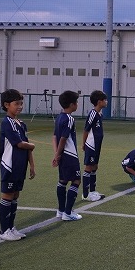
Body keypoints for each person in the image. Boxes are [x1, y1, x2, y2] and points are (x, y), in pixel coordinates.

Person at [0, 89, 35, 242]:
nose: (19, 106)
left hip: (20, 165)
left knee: (15, 195)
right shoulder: (7, 122)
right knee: (7, 195)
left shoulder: (21, 124)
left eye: (21, 103)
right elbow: (19, 144)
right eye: (16, 104)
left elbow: (27, 147)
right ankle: (3, 230)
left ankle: (11, 227)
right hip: (10, 165)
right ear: (6, 105)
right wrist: (32, 146)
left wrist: (32, 165)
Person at [52, 90, 83, 221]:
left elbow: (54, 136)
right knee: (76, 180)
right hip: (69, 154)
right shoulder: (70, 118)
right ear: (71, 104)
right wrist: (58, 154)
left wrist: (56, 154)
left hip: (62, 154)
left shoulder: (59, 117)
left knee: (63, 181)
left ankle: (60, 210)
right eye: (76, 102)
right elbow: (63, 138)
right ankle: (68, 213)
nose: (77, 104)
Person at [82, 90, 108, 200]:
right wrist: (83, 144)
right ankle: (86, 194)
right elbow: (86, 130)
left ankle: (92, 191)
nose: (106, 102)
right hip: (91, 145)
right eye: (104, 100)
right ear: (99, 102)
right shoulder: (92, 114)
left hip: (97, 145)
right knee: (89, 166)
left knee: (95, 166)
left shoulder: (99, 114)